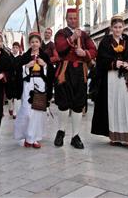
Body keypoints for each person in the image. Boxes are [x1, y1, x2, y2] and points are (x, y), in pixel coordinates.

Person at [91, 16, 128, 150]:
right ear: (111, 28)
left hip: (125, 78)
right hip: (110, 79)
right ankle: (115, 136)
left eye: (120, 27)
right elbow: (100, 61)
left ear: (123, 28)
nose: (118, 30)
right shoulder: (105, 42)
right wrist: (113, 63)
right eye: (115, 27)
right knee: (113, 106)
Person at [53, 8, 97, 149]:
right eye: (70, 18)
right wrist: (72, 38)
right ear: (66, 19)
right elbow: (59, 48)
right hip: (65, 71)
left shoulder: (84, 35)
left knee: (78, 104)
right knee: (64, 103)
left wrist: (84, 52)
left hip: (80, 72)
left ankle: (75, 136)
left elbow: (93, 50)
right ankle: (61, 132)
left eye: (75, 18)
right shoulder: (61, 33)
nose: (73, 20)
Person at [14, 32, 53, 148]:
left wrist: (45, 65)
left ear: (40, 43)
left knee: (37, 112)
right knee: (27, 111)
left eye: (37, 41)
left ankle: (35, 138)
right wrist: (26, 67)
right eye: (32, 42)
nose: (34, 44)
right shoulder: (25, 56)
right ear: (29, 43)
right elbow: (17, 71)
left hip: (40, 85)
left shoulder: (44, 56)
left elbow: (51, 72)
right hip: (28, 84)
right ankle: (27, 136)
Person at [6, 42, 22, 118]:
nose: (15, 49)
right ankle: (10, 107)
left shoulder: (21, 58)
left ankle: (15, 112)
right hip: (9, 79)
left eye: (16, 47)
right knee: (9, 96)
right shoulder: (9, 57)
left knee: (16, 95)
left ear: (19, 49)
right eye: (14, 47)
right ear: (12, 48)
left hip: (18, 79)